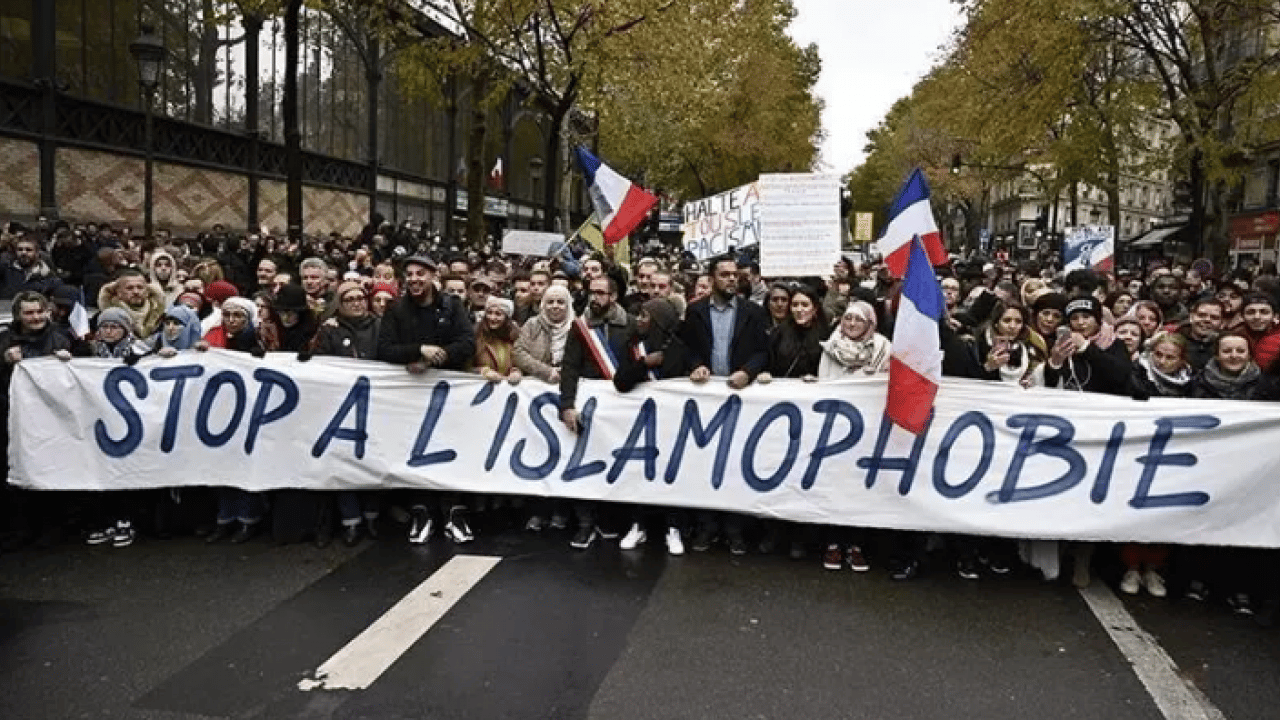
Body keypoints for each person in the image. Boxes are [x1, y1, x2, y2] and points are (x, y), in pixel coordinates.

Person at [377, 255, 476, 544]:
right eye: (409, 274)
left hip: (448, 394)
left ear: (434, 276)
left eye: (421, 273)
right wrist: (418, 350)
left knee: (448, 449)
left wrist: (437, 357)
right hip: (410, 396)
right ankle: (422, 509)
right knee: (416, 450)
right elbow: (384, 349)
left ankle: (454, 508)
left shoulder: (452, 306)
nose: (415, 279)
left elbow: (467, 343)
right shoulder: (396, 310)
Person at [681, 256, 770, 555]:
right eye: (725, 275)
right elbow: (688, 348)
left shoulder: (754, 313)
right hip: (706, 399)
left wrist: (749, 371)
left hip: (739, 398)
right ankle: (706, 527)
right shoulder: (694, 312)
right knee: (706, 463)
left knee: (733, 465)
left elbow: (762, 351)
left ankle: (734, 530)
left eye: (735, 275)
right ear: (712, 278)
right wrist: (696, 366)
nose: (732, 279)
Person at [559, 275, 635, 549]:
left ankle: (609, 519)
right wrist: (566, 405)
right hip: (589, 406)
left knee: (613, 463)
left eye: (601, 293)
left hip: (619, 408)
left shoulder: (631, 325)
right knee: (584, 464)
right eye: (592, 292)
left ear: (614, 296)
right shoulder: (580, 327)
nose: (595, 298)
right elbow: (569, 367)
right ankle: (585, 523)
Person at [612, 297, 690, 556]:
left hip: (673, 424)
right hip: (640, 424)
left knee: (672, 474)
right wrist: (644, 364)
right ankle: (638, 525)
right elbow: (621, 381)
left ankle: (673, 527)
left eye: (646, 317)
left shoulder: (681, 348)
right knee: (639, 475)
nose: (640, 321)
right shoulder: (633, 347)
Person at [0, 292, 74, 548]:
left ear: (48, 312)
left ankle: (53, 527)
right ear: (19, 315)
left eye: (39, 311)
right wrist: (4, 361)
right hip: (14, 418)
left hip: (52, 418)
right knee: (17, 471)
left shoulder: (62, 337)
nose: (35, 317)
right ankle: (20, 528)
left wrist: (71, 359)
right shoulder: (5, 340)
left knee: (50, 468)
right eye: (29, 313)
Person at [312, 281, 382, 546]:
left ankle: (372, 515)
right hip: (339, 409)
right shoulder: (330, 330)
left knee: (373, 463)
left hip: (376, 405)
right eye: (349, 299)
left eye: (360, 298)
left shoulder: (380, 326)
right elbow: (317, 361)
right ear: (340, 304)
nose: (356, 303)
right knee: (343, 465)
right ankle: (351, 521)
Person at [199, 296, 269, 544]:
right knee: (220, 467)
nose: (231, 321)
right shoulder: (210, 337)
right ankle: (224, 518)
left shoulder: (254, 340)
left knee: (244, 467)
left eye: (237, 316)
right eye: (227, 315)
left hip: (248, 413)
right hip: (217, 412)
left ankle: (248, 519)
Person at [512, 284, 575, 531]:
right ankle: (538, 511)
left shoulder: (577, 327)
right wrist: (546, 372)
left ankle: (561, 510)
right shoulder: (531, 325)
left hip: (564, 399)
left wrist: (566, 374)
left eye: (560, 302)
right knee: (538, 454)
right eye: (550, 302)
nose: (555, 307)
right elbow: (519, 352)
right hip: (537, 401)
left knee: (563, 454)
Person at [98, 268, 166, 338]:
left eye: (140, 287)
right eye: (129, 288)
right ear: (119, 293)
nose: (136, 292)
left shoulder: (162, 318)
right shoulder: (107, 318)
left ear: (147, 291)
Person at [472, 296, 523, 385]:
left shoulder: (515, 337)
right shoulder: (475, 334)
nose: (492, 317)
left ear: (506, 317)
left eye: (498, 314)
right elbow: (464, 367)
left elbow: (520, 362)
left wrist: (516, 371)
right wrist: (483, 371)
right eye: (489, 313)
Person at [1239, 293, 1280, 372]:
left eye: (1264, 312)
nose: (1257, 317)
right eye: (1250, 312)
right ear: (1242, 316)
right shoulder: (1233, 337)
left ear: (1275, 316)